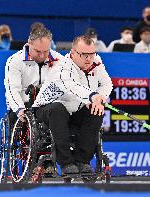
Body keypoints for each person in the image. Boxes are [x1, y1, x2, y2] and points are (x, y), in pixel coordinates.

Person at [33, 35, 113, 175]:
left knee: (96, 111)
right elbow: (71, 86)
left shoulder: (97, 62)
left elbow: (107, 84)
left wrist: (100, 98)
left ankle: (83, 161)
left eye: (91, 54)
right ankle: (66, 163)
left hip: (75, 109)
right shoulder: (62, 67)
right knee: (58, 109)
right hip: (46, 109)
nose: (88, 59)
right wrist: (92, 96)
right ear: (73, 53)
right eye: (84, 55)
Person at [4, 26, 63, 175]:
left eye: (46, 51)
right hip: (23, 106)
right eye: (38, 51)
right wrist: (19, 109)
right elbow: (12, 89)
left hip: (46, 105)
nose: (42, 55)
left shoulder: (59, 60)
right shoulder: (14, 61)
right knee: (22, 120)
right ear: (29, 44)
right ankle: (33, 161)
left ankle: (51, 161)